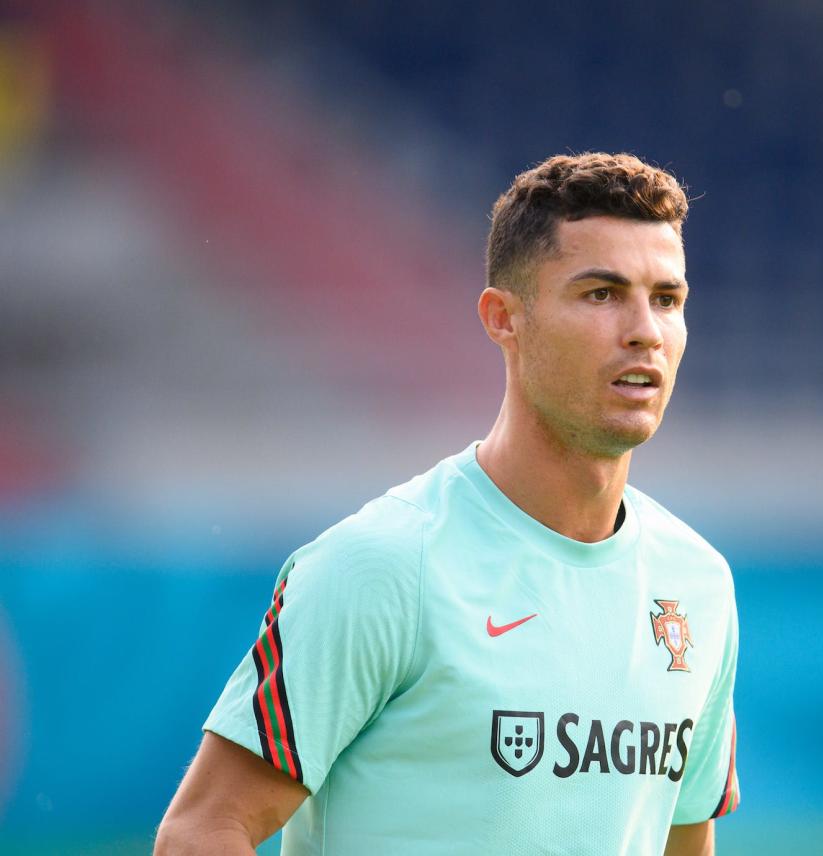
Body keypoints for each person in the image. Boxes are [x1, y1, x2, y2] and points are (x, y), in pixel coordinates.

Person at [154, 152, 741, 855]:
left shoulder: (696, 584)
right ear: (503, 319)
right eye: (601, 294)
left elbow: (682, 843)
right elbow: (203, 830)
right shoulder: (382, 566)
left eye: (666, 299)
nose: (644, 329)